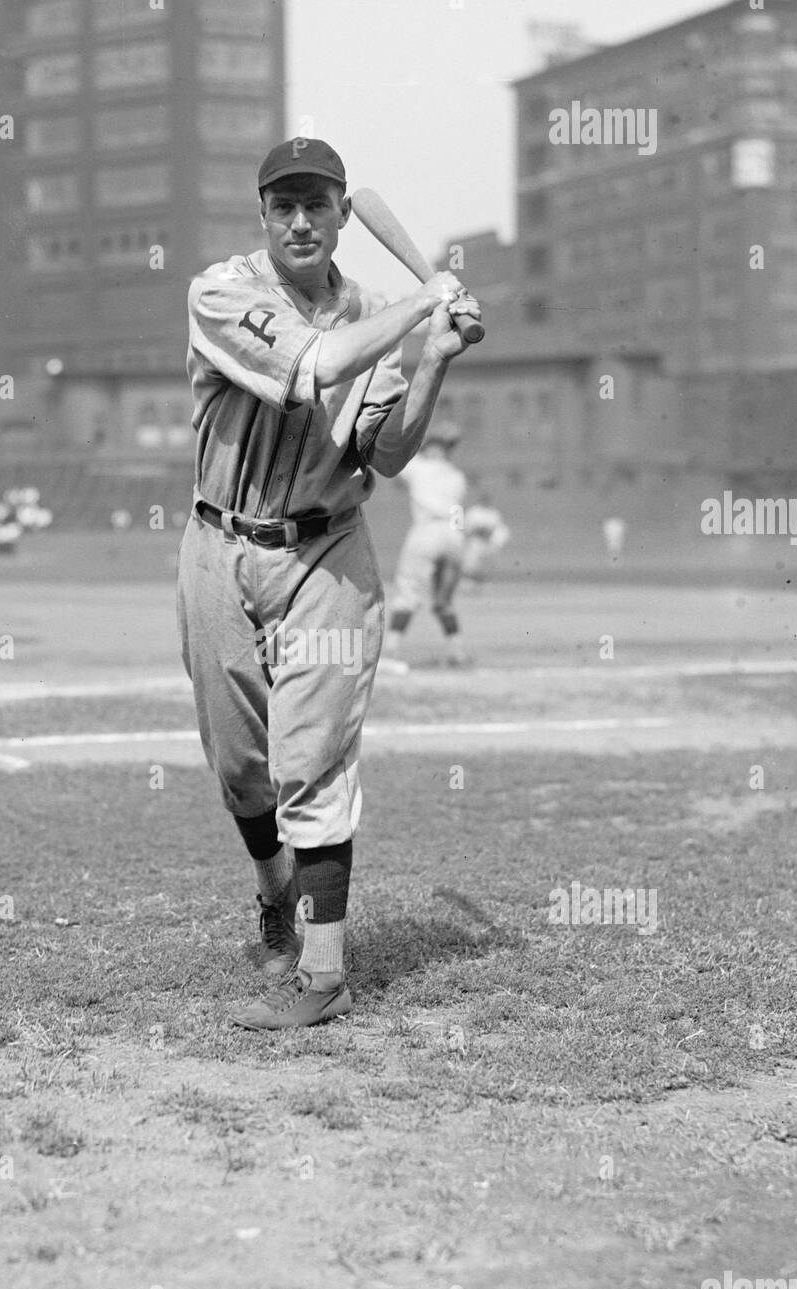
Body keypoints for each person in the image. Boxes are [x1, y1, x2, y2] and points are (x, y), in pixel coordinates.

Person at [177, 137, 483, 1029]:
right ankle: (273, 887)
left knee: (309, 756)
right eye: (284, 206)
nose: (301, 221)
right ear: (264, 216)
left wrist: (431, 357)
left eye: (318, 204)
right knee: (242, 771)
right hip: (218, 543)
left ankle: (323, 973)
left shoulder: (377, 311)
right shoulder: (219, 292)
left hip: (326, 553)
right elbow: (315, 364)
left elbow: (383, 453)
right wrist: (428, 299)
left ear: (344, 215)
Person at [382, 420, 473, 671]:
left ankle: (391, 650)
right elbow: (458, 512)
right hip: (454, 532)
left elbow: (393, 468)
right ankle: (457, 652)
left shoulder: (419, 467)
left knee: (407, 593)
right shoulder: (457, 475)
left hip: (428, 531)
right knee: (444, 601)